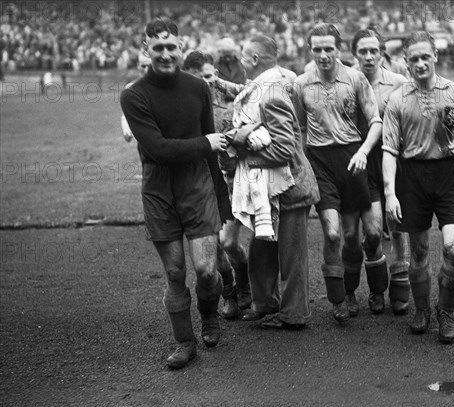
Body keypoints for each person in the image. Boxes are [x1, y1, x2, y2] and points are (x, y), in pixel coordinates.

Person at [120, 17, 229, 369]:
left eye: (171, 47)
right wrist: (205, 143)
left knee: (207, 270)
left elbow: (211, 150)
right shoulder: (133, 95)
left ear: (181, 48)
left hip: (197, 186)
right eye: (158, 48)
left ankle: (209, 317)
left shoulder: (197, 88)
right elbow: (159, 149)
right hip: (159, 189)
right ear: (145, 49)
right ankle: (185, 342)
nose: (165, 54)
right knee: (176, 273)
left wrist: (223, 204)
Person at [382, 31, 454, 344]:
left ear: (435, 57)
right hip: (412, 177)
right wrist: (390, 194)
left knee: (453, 250)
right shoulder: (397, 100)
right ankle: (422, 310)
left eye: (425, 57)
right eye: (413, 58)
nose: (420, 63)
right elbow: (389, 151)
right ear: (405, 62)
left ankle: (446, 311)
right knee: (418, 253)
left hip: (449, 176)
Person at [294, 23, 383, 324]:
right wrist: (302, 165)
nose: (322, 55)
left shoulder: (355, 79)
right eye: (317, 49)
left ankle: (377, 288)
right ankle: (341, 297)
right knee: (336, 234)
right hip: (321, 162)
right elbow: (298, 129)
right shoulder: (301, 84)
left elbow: (376, 122)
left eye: (328, 48)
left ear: (339, 49)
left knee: (369, 234)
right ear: (310, 50)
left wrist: (363, 151)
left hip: (354, 157)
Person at [231, 34, 320, 329]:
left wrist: (244, 154)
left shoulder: (271, 92)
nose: (240, 62)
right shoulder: (267, 85)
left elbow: (283, 149)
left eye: (244, 56)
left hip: (290, 186)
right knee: (262, 248)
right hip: (271, 188)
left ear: (255, 60)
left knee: (291, 255)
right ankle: (265, 302)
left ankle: (294, 315)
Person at [182, 50, 252, 321]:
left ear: (217, 75)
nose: (206, 84)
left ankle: (244, 283)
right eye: (199, 79)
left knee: (228, 242)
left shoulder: (235, 100)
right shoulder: (185, 109)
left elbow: (258, 93)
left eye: (210, 77)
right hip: (203, 182)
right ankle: (231, 293)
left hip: (234, 180)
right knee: (214, 246)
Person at [350, 28, 410, 315]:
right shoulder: (347, 81)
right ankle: (376, 289)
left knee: (397, 226)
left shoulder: (399, 82)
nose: (369, 56)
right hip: (363, 163)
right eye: (363, 51)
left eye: (374, 51)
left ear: (381, 52)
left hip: (395, 160)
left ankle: (400, 290)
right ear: (355, 54)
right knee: (373, 233)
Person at [121, 52, 151, 143]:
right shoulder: (131, 88)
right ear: (138, 66)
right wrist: (126, 130)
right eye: (143, 66)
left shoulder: (164, 85)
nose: (146, 70)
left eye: (149, 66)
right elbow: (126, 114)